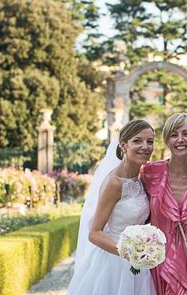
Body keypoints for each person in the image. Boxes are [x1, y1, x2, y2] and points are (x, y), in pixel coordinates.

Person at [67, 119, 156, 295]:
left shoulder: (139, 177)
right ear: (124, 145)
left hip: (138, 263)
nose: (145, 146)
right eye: (137, 140)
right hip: (113, 264)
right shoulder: (114, 183)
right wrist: (129, 253)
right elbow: (94, 233)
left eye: (150, 141)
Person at [141, 113, 187, 295]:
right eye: (174, 135)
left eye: (186, 134)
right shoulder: (150, 172)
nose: (180, 140)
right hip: (159, 253)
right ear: (166, 140)